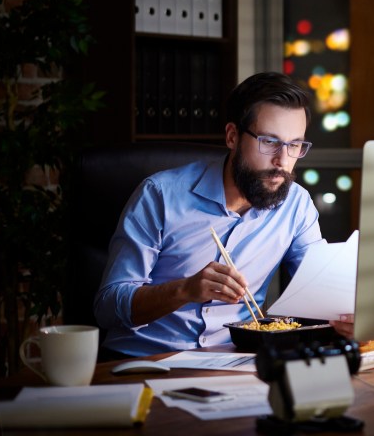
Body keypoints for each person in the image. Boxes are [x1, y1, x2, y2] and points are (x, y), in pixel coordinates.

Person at [94, 71, 352, 358]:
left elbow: (319, 288)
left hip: (232, 362)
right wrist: (185, 290)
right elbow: (107, 307)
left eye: (294, 145)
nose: (283, 161)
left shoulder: (296, 205)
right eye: (269, 142)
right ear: (232, 136)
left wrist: (346, 314)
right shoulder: (159, 195)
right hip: (144, 360)